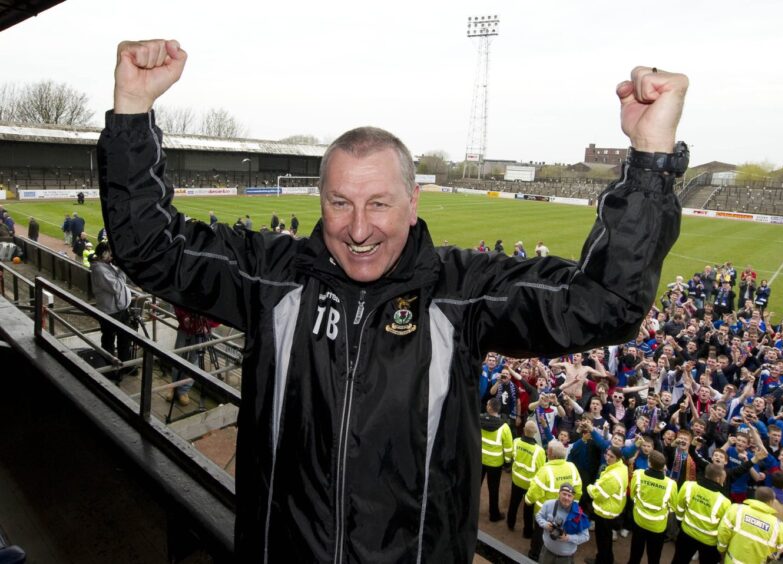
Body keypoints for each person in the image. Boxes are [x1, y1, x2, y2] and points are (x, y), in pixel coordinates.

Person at [100, 39, 686, 562]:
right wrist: (132, 111)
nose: (358, 228)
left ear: (413, 203)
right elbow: (151, 248)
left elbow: (605, 302)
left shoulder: (460, 294)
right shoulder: (274, 278)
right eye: (339, 203)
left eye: (378, 203)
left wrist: (651, 160)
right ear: (320, 202)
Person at [525, 440, 583, 560]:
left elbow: (534, 492)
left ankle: (534, 555)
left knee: (539, 534)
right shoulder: (572, 467)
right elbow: (578, 490)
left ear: (551, 453)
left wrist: (528, 500)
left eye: (548, 450)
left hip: (545, 513)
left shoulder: (545, 470)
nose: (546, 451)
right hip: (565, 512)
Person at [671, 463, 730, 564]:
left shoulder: (688, 486)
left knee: (679, 560)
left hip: (686, 534)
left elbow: (679, 508)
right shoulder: (725, 502)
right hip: (709, 542)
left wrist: (681, 524)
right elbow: (723, 527)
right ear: (718, 479)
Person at [89, 241, 133, 379]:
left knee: (124, 339)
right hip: (111, 313)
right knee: (108, 341)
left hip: (121, 310)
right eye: (110, 252)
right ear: (104, 254)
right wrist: (122, 270)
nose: (113, 255)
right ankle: (110, 370)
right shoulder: (99, 270)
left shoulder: (106, 266)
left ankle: (124, 367)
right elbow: (117, 288)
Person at [627, 450, 677, 564]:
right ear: (663, 466)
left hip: (639, 520)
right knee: (654, 557)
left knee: (635, 554)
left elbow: (633, 495)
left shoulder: (638, 474)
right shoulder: (671, 484)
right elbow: (673, 506)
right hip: (658, 526)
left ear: (649, 463)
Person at [716, 487, 783, 564]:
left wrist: (721, 550)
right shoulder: (779, 526)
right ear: (771, 501)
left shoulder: (736, 510)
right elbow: (782, 551)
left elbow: (723, 532)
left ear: (755, 497)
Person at [585, 445, 628, 564]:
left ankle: (601, 561)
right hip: (612, 509)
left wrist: (590, 487)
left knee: (602, 540)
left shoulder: (612, 476)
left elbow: (598, 495)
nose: (607, 458)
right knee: (607, 539)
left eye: (611, 456)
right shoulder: (622, 468)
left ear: (618, 458)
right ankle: (608, 560)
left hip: (605, 512)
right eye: (607, 454)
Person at [508, 420, 547, 538]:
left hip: (516, 479)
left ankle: (510, 523)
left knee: (513, 503)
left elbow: (512, 456)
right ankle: (527, 531)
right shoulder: (539, 451)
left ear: (524, 429)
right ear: (535, 433)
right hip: (530, 483)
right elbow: (541, 469)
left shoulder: (516, 442)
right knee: (528, 508)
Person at [534, 483, 590, 564]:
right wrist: (545, 524)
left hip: (565, 558)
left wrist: (568, 538)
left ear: (573, 498)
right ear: (559, 493)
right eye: (564, 494)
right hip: (547, 551)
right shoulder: (548, 504)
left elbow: (585, 536)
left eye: (569, 495)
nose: (566, 498)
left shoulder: (578, 514)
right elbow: (539, 516)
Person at [480, 397, 513, 522]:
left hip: (480, 460)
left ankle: (468, 510)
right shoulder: (504, 427)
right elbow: (508, 447)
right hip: (495, 464)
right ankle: (494, 515)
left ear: (489, 407)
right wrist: (507, 461)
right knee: (493, 490)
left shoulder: (480, 420)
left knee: (475, 487)